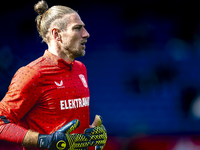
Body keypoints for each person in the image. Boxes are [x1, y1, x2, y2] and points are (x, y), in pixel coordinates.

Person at [0, 0, 107, 150]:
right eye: (77, 28)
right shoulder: (32, 73)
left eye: (84, 28)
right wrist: (45, 140)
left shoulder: (80, 69)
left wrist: (91, 133)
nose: (86, 34)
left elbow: (64, 131)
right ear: (57, 34)